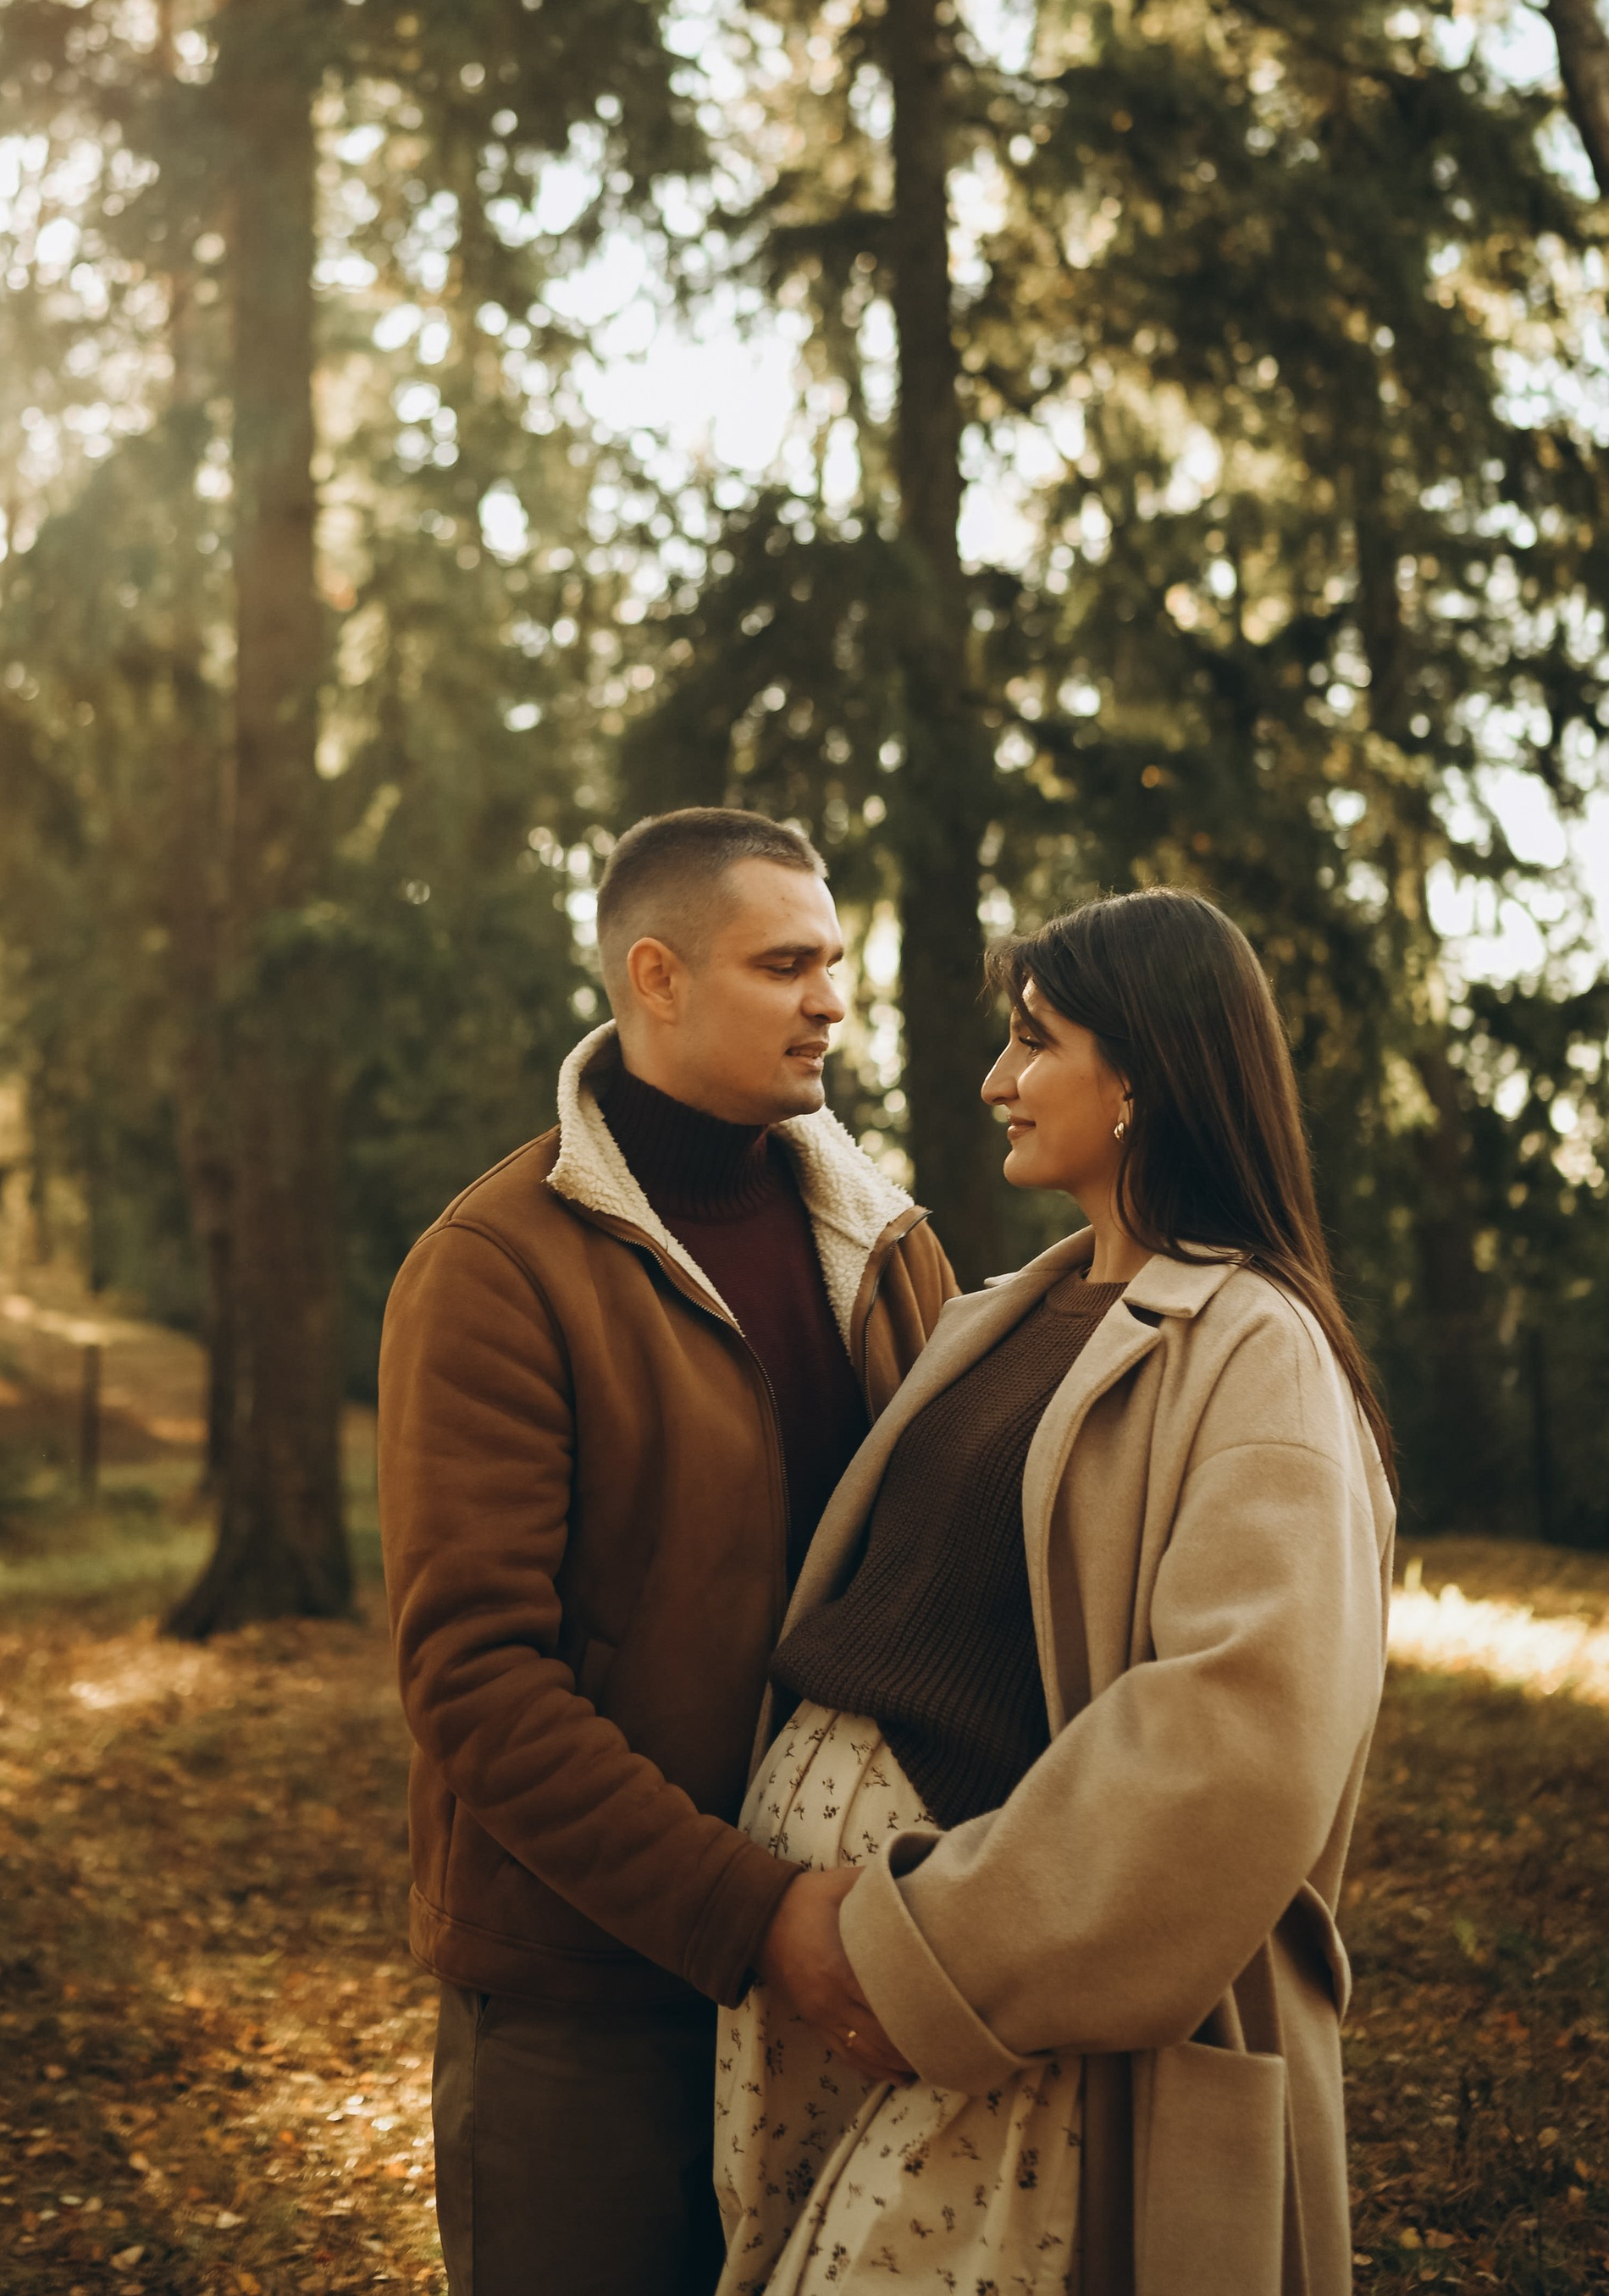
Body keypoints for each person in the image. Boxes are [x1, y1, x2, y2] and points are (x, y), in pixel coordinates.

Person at [717, 886, 1397, 2296]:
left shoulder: (1258, 1353)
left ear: (1140, 1077)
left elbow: (1232, 1747)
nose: (996, 1080)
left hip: (999, 2034)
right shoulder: (1010, 1311)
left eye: (1035, 1041)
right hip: (826, 2008)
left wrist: (926, 1953)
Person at [376, 806, 957, 2296]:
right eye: (785, 966)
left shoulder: (887, 1246)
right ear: (658, 976)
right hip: (589, 2011)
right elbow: (474, 1681)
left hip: (857, 1975)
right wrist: (749, 1916)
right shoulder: (495, 1269)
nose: (831, 1001)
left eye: (834, 964)